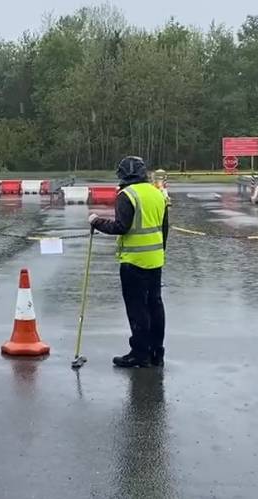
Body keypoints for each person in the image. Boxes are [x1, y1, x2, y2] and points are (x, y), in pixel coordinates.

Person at [89, 156, 169, 368]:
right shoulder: (157, 193)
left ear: (122, 175)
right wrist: (160, 251)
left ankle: (139, 354)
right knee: (155, 306)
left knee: (137, 309)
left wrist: (96, 222)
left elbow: (121, 226)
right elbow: (165, 228)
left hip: (133, 261)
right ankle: (157, 353)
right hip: (155, 259)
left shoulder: (127, 195)